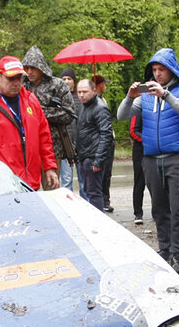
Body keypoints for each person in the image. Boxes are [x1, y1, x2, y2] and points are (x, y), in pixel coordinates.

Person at [115, 48, 179, 274]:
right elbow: (122, 116)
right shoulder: (146, 96)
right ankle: (165, 250)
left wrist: (166, 95)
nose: (157, 74)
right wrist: (130, 97)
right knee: (159, 209)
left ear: (171, 70)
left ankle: (178, 255)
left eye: (161, 69)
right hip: (151, 159)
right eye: (154, 70)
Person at [0, 56, 59, 191]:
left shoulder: (31, 99)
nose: (16, 83)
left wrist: (49, 167)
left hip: (31, 182)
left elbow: (44, 136)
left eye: (20, 78)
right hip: (1, 184)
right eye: (11, 78)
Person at [22, 46, 77, 190]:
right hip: (27, 149)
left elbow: (70, 114)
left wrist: (38, 113)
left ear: (41, 67)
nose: (29, 72)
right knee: (27, 192)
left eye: (33, 68)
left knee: (52, 191)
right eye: (26, 68)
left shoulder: (57, 85)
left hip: (53, 148)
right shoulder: (21, 85)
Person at [74, 79, 113, 210]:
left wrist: (98, 160)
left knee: (94, 192)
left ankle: (98, 222)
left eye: (84, 92)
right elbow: (80, 132)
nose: (81, 95)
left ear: (93, 91)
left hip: (93, 156)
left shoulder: (100, 108)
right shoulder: (83, 107)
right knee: (88, 190)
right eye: (79, 92)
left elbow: (106, 135)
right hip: (85, 156)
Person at [58, 66, 83, 196]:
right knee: (66, 182)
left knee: (84, 183)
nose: (66, 81)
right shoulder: (58, 98)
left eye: (69, 78)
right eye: (64, 79)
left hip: (81, 146)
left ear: (74, 81)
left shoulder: (81, 97)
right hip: (65, 146)